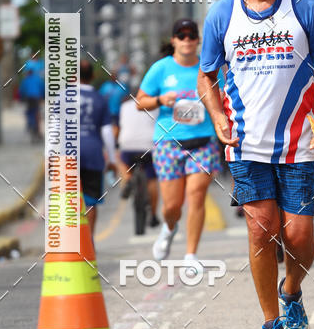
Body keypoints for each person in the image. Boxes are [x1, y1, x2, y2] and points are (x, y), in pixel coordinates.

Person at [197, 0, 314, 329]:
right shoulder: (223, 14)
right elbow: (205, 75)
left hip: (299, 142)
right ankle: (270, 326)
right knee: (262, 232)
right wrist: (218, 115)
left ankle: (291, 291)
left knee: (297, 234)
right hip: (246, 144)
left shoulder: (305, 6)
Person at [136, 19, 222, 264]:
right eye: (181, 35)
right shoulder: (161, 68)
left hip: (203, 142)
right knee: (172, 206)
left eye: (191, 35)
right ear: (173, 40)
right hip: (168, 143)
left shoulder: (208, 68)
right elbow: (140, 102)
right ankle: (169, 227)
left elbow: (224, 97)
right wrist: (161, 100)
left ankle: (191, 254)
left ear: (198, 40)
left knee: (196, 194)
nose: (187, 40)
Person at [79, 60, 118, 236]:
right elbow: (107, 133)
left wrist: (49, 157)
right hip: (93, 154)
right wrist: (111, 159)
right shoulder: (99, 100)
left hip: (67, 156)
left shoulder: (62, 98)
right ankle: (89, 243)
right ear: (93, 76)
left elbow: (54, 130)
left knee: (65, 200)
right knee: (91, 200)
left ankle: (68, 243)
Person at [118, 90, 160, 227]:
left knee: (122, 161)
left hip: (128, 145)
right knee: (152, 179)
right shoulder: (154, 105)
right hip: (148, 146)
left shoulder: (124, 106)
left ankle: (128, 179)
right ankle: (153, 216)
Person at [18, 65, 44, 142]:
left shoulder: (25, 80)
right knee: (37, 113)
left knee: (29, 111)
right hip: (36, 98)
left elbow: (22, 90)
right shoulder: (38, 79)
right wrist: (43, 97)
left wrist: (21, 98)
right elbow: (42, 88)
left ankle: (29, 124)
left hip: (29, 98)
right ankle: (38, 130)